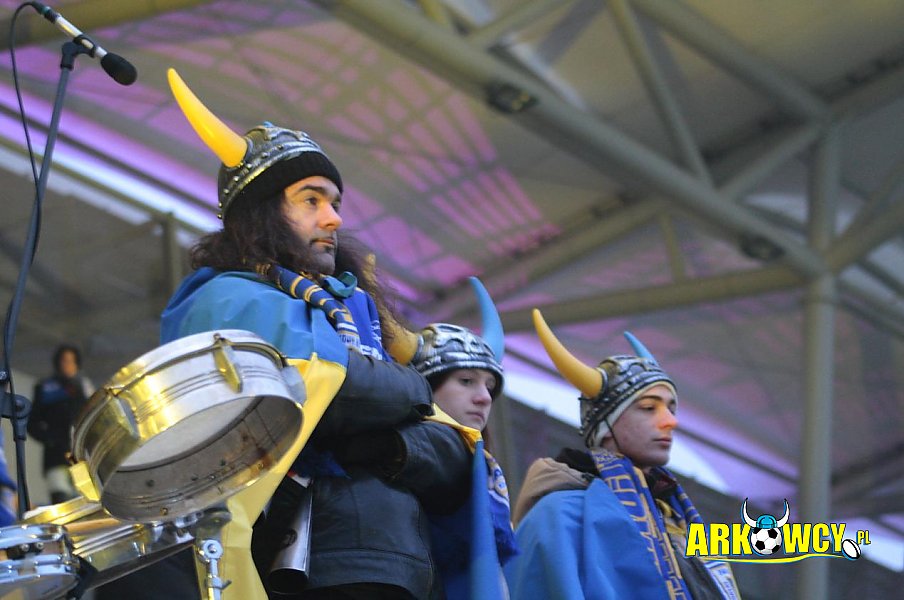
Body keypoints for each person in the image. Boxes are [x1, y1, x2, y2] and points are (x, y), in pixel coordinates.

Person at [98, 69, 469, 600]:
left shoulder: (353, 308)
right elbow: (329, 393)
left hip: (406, 567)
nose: (335, 218)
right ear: (262, 213)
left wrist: (387, 447)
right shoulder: (227, 298)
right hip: (307, 565)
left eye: (335, 202)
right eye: (312, 200)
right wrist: (412, 391)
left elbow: (454, 454)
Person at [504, 309, 741, 600]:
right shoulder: (559, 515)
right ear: (605, 425)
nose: (670, 421)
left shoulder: (674, 516)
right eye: (648, 408)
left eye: (671, 408)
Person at [393, 276, 518, 598]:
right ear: (423, 386)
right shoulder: (387, 454)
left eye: (489, 386)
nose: (484, 398)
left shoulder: (482, 468)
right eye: (466, 381)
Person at [27, 344, 94, 504]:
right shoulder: (45, 388)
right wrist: (51, 440)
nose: (68, 365)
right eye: (64, 361)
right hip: (55, 458)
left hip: (80, 458)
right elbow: (32, 423)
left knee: (86, 500)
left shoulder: (84, 386)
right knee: (61, 498)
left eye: (72, 361)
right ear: (58, 363)